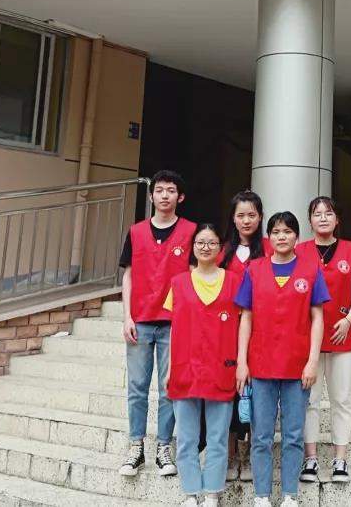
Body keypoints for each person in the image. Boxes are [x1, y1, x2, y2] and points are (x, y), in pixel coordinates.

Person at [235, 211, 329, 507]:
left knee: (293, 435)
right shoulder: (254, 269)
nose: (281, 237)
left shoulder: (310, 269)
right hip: (261, 365)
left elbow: (318, 318)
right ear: (269, 237)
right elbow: (246, 317)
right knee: (261, 435)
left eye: (287, 231)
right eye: (275, 232)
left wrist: (312, 361)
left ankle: (290, 495)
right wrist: (242, 362)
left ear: (297, 237)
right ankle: (261, 496)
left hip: (297, 366)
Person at [118, 170, 196, 478]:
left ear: (181, 197)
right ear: (151, 196)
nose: (165, 195)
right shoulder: (136, 232)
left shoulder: (191, 232)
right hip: (139, 320)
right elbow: (128, 275)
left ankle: (164, 447)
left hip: (174, 322)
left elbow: (195, 277)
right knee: (137, 387)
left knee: (169, 388)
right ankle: (136, 446)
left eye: (171, 190)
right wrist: (127, 316)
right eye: (160, 190)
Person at [163, 224, 244, 507]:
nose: (205, 247)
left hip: (221, 367)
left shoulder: (234, 282)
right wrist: (169, 368)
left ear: (221, 248)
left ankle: (212, 493)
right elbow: (173, 329)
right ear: (193, 246)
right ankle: (190, 493)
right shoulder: (178, 283)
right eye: (200, 242)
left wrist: (242, 363)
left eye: (211, 242)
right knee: (186, 438)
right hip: (185, 367)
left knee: (218, 437)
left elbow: (244, 324)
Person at [297, 196, 351, 484]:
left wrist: (349, 319)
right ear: (310, 220)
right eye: (317, 213)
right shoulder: (299, 251)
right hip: (308, 338)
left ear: (337, 219)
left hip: (342, 334)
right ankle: (311, 459)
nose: (323, 218)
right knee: (310, 400)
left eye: (328, 213)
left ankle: (340, 459)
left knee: (341, 399)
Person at [217, 191, 267, 482]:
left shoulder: (270, 249)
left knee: (255, 394)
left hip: (261, 331)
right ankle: (230, 452)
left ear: (260, 217)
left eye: (251, 215)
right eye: (240, 215)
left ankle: (248, 455)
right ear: (233, 219)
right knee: (229, 392)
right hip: (226, 331)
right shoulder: (222, 250)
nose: (246, 220)